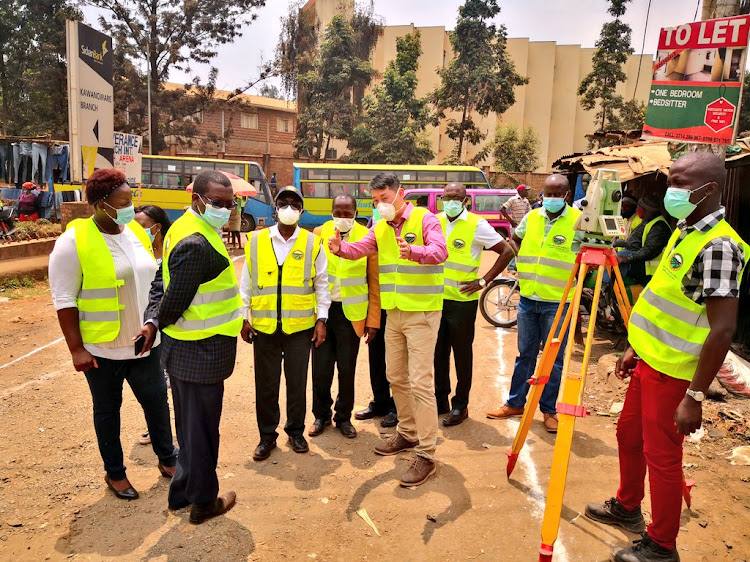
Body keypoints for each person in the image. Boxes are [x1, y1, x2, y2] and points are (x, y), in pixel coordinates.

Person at [586, 152, 748, 562]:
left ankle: (661, 546)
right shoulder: (686, 228)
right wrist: (634, 347)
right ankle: (627, 506)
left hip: (675, 373)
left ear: (709, 189)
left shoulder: (720, 246)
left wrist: (694, 396)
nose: (670, 191)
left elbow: (723, 329)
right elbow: (661, 300)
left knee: (662, 457)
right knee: (628, 435)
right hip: (649, 361)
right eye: (670, 182)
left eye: (680, 184)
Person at [49, 168, 178, 501]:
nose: (129, 205)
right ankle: (115, 473)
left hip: (145, 343)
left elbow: (153, 278)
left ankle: (168, 459)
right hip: (102, 350)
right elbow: (64, 299)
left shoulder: (135, 231)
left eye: (131, 197)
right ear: (100, 204)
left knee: (157, 404)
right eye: (123, 200)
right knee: (107, 411)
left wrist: (153, 323)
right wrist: (76, 348)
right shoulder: (73, 241)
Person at [329, 172, 447, 487]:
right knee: (396, 376)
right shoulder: (379, 228)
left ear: (400, 194)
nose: (380, 205)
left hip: (422, 313)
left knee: (421, 382)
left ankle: (427, 454)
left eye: (384, 198)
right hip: (394, 312)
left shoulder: (425, 219)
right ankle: (407, 433)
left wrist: (416, 253)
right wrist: (340, 248)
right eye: (375, 200)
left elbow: (440, 251)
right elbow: (359, 250)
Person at [138, 170, 242, 524]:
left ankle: (181, 492)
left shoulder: (181, 229)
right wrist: (156, 319)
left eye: (230, 202)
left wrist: (153, 321)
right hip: (201, 351)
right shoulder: (195, 243)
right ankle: (202, 502)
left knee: (188, 428)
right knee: (201, 432)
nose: (226, 209)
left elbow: (159, 281)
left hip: (185, 349)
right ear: (196, 199)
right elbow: (174, 300)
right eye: (218, 202)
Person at [486, 174, 582, 434]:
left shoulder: (578, 221)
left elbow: (588, 255)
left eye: (555, 194)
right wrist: (518, 259)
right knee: (525, 355)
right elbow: (516, 239)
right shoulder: (533, 217)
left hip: (558, 302)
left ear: (566, 195)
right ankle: (515, 403)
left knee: (554, 359)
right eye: (546, 194)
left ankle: (549, 411)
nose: (550, 198)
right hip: (529, 297)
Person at [240, 186, 329, 461]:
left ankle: (295, 431)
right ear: (275, 208)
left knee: (297, 383)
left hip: (299, 329)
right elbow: (246, 283)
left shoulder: (313, 243)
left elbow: (322, 284)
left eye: (294, 204)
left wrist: (321, 319)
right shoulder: (255, 240)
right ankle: (267, 437)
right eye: (283, 203)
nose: (289, 208)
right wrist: (244, 317)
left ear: (301, 211)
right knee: (266, 385)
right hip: (264, 328)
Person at [435, 183, 515, 426]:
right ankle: (440, 400)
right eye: (447, 197)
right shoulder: (434, 221)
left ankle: (461, 405)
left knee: (461, 354)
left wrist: (483, 280)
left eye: (455, 198)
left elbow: (507, 251)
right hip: (436, 300)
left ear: (465, 200)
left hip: (462, 302)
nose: (450, 201)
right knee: (438, 354)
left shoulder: (476, 224)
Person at [309, 194, 380, 438]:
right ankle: (320, 416)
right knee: (321, 369)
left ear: (355, 212)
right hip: (324, 313)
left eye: (347, 213)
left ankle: (343, 417)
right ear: (331, 212)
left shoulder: (367, 237)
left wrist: (373, 321)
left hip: (352, 314)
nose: (342, 218)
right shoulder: (319, 233)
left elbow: (373, 282)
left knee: (346, 369)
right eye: (338, 213)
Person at [134, 205, 172, 447]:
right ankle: (155, 425)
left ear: (157, 227)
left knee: (169, 379)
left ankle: (168, 426)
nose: (135, 231)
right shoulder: (137, 253)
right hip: (148, 322)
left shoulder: (172, 250)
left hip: (170, 321)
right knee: (156, 382)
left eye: (141, 226)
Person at [611, 194, 672, 286]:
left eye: (639, 206)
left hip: (653, 272)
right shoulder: (648, 222)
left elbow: (649, 250)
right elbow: (637, 243)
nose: (637, 209)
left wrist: (627, 259)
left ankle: (605, 286)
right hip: (646, 269)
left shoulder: (659, 226)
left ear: (645, 209)